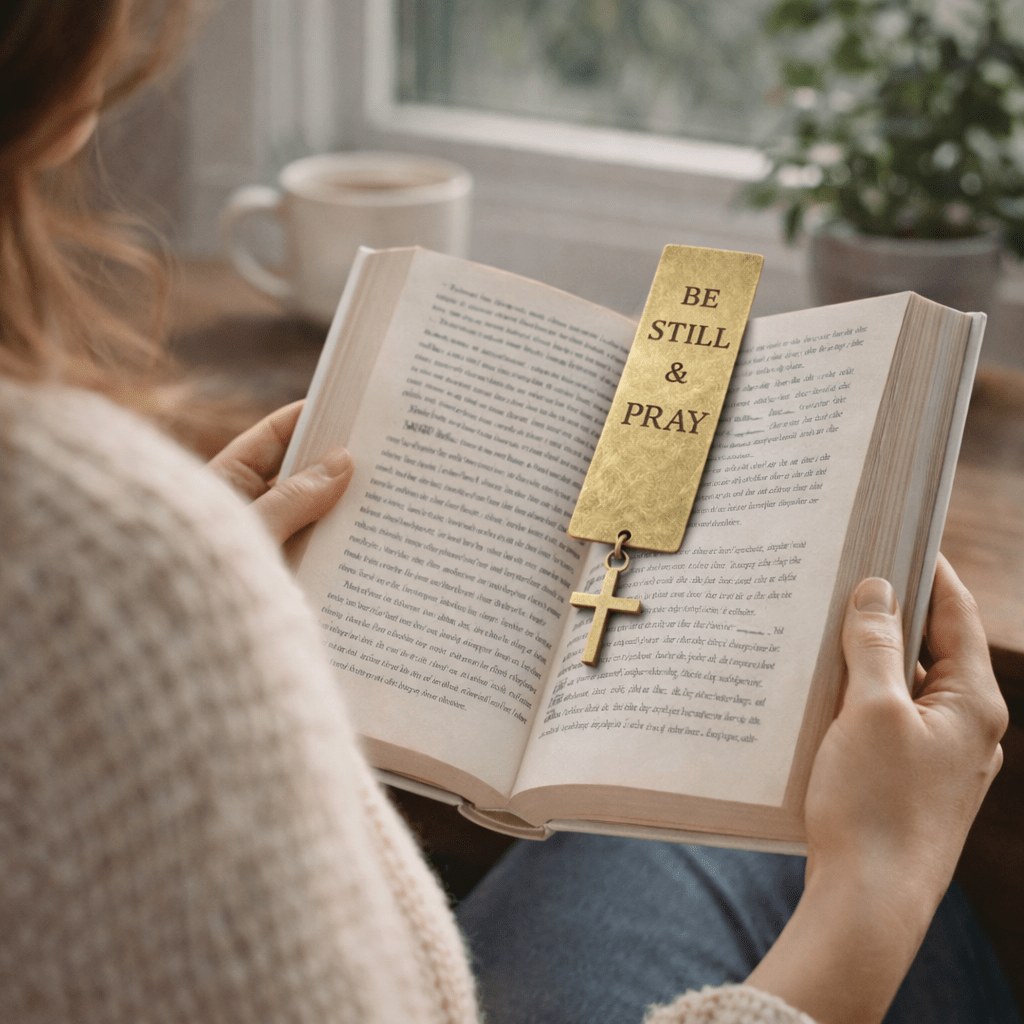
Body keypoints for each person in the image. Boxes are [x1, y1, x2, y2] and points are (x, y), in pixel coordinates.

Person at [0, 2, 1014, 1022]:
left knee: (663, 833)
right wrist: (878, 887)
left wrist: (191, 641)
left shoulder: (83, 547)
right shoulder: (72, 551)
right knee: (741, 850)